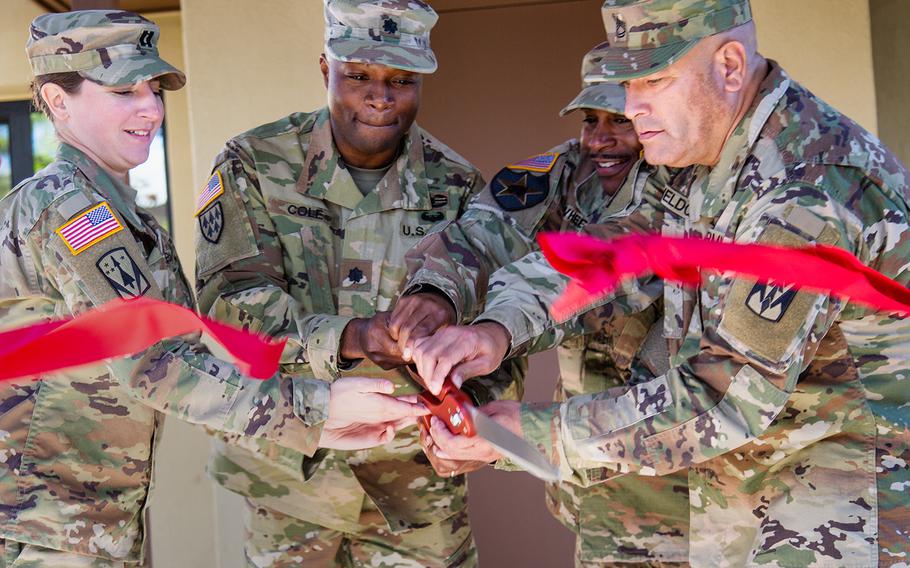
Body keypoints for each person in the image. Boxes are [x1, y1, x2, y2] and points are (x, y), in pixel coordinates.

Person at [413, 0, 910, 565]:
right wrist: (497, 330)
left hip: (840, 518)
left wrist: (521, 434)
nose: (631, 107)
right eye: (626, 84)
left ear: (728, 65)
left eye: (653, 79)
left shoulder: (808, 193)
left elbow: (719, 400)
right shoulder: (702, 158)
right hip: (745, 504)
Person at [0, 10, 420, 567]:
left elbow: (185, 357)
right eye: (124, 90)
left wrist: (311, 424)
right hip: (49, 530)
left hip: (88, 524)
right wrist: (313, 410)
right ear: (57, 101)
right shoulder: (67, 207)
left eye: (154, 89)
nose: (150, 107)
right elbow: (153, 363)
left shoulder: (118, 210)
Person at [194, 1, 520, 566]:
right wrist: (353, 336)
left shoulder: (459, 185)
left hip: (417, 491)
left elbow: (502, 323)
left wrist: (477, 423)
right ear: (326, 69)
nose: (380, 97)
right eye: (359, 76)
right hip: (290, 481)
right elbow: (230, 309)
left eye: (401, 80)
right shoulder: (254, 165)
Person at [392, 43, 689, 566]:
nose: (600, 138)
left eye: (618, 120)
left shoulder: (686, 183)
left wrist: (495, 330)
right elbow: (486, 232)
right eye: (589, 119)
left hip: (681, 470)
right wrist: (435, 296)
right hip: (591, 476)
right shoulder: (568, 171)